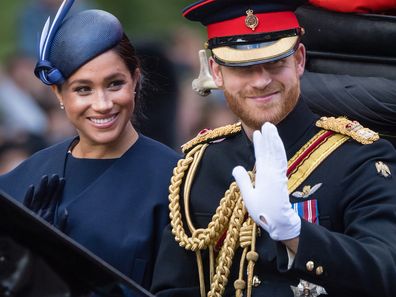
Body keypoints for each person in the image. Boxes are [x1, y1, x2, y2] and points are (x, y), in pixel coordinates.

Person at [150, 1, 396, 297]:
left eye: (276, 63)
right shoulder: (198, 166)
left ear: (299, 61)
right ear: (216, 72)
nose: (262, 81)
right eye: (243, 68)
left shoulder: (360, 157)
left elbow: (385, 271)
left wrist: (296, 234)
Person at [0, 0, 179, 291]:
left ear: (135, 80)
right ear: (59, 93)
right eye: (83, 89)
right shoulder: (19, 185)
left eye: (114, 84)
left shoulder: (176, 182)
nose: (102, 104)